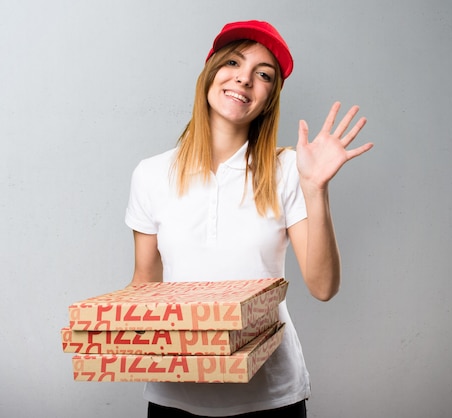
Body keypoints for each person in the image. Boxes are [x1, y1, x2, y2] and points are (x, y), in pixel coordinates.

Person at [125, 20, 373, 418]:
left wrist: (315, 189)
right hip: (174, 393)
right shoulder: (151, 174)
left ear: (270, 97)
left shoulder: (289, 168)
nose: (244, 80)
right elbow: (145, 283)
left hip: (270, 394)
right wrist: (107, 338)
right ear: (210, 72)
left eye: (263, 75)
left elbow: (323, 287)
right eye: (234, 63)